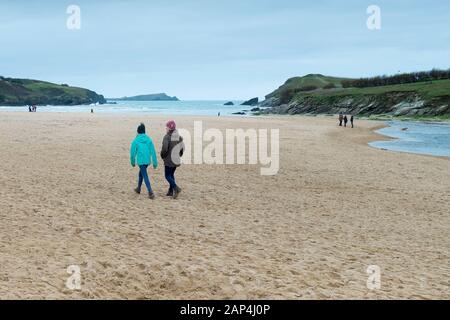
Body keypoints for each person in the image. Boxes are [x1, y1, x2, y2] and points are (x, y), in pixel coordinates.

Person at [130, 123, 158, 199]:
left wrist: (132, 162)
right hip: (147, 161)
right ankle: (138, 188)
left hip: (141, 161)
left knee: (144, 174)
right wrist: (155, 163)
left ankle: (150, 191)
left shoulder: (135, 141)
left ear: (138, 132)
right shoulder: (149, 139)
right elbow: (153, 152)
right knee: (141, 173)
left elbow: (132, 153)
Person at [161, 120, 185, 199]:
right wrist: (180, 155)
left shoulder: (167, 137)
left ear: (169, 128)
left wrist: (163, 156)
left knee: (167, 176)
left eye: (166, 127)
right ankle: (170, 191)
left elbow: (165, 148)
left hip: (169, 160)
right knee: (171, 175)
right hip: (176, 159)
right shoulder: (179, 137)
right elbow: (182, 148)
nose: (166, 128)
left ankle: (176, 188)